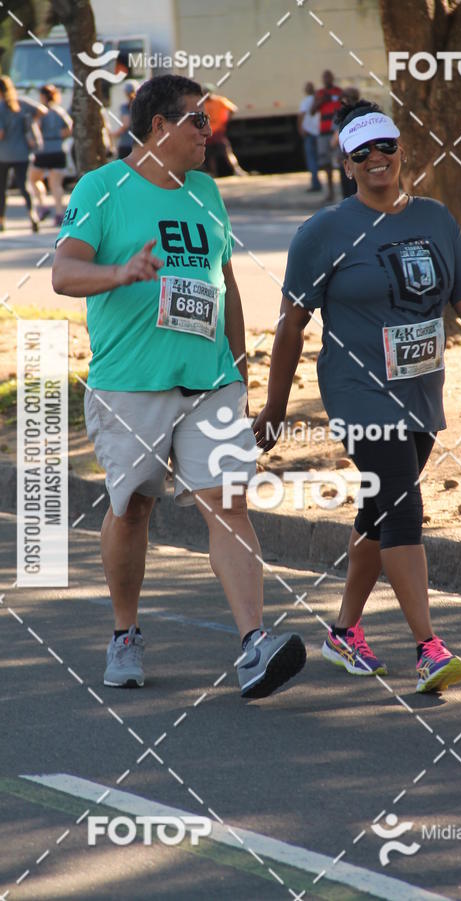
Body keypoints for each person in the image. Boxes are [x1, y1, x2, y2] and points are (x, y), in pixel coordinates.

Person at [253, 100, 461, 694]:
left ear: (402, 152)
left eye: (386, 147)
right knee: (403, 506)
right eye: (363, 153)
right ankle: (428, 648)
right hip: (358, 393)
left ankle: (344, 632)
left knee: (378, 513)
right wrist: (275, 407)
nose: (377, 159)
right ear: (346, 164)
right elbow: (289, 325)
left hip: (422, 390)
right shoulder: (322, 233)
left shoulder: (434, 218)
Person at [52, 75, 305, 698]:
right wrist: (123, 271)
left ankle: (254, 644)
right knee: (133, 505)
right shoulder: (103, 188)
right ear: (159, 126)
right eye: (198, 121)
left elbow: (227, 282)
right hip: (130, 382)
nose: (208, 133)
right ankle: (124, 632)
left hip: (210, 378)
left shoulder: (206, 192)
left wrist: (241, 370)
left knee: (228, 501)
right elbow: (63, 273)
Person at [0, 76, 40, 232]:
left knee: (2, 189)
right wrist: (30, 123)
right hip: (22, 153)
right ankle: (33, 215)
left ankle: (1, 221)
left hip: (3, 154)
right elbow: (41, 110)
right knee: (24, 186)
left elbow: (1, 134)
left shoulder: (1, 107)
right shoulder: (22, 103)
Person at [29, 84, 72, 227]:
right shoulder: (59, 111)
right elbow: (69, 128)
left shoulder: (41, 112)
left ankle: (43, 205)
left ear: (42, 96)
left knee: (34, 178)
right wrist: (58, 136)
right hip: (58, 149)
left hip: (43, 150)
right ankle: (59, 213)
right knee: (56, 183)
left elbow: (36, 129)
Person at [311, 70, 342, 203]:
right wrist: (321, 101)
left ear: (333, 78)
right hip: (323, 133)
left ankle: (346, 190)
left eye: (329, 76)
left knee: (341, 160)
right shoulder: (320, 94)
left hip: (336, 131)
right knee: (326, 163)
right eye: (325, 77)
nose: (327, 79)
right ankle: (330, 192)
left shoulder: (339, 92)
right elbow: (312, 111)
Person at [203, 86, 246, 177]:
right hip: (214, 132)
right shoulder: (220, 101)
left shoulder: (202, 104)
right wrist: (225, 120)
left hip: (211, 132)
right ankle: (235, 170)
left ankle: (215, 173)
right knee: (222, 153)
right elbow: (233, 109)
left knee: (215, 154)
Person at [298, 82, 321, 192]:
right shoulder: (317, 100)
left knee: (311, 159)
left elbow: (301, 115)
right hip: (318, 131)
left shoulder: (306, 101)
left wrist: (300, 128)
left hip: (309, 132)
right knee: (320, 159)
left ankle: (315, 183)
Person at [111, 79, 138, 159]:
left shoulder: (125, 107)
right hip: (138, 145)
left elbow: (126, 124)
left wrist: (113, 134)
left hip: (126, 144)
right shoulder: (141, 107)